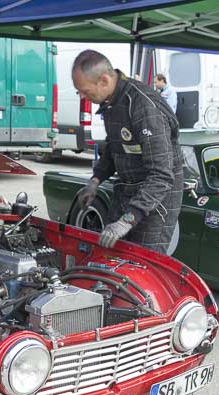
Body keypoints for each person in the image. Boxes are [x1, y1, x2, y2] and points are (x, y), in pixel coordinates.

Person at [72, 50, 183, 255]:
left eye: (86, 91)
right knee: (110, 255)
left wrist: (126, 221)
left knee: (139, 267)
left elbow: (162, 175)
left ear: (104, 80)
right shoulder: (111, 102)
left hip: (157, 202)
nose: (82, 97)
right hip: (127, 190)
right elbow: (114, 146)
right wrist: (95, 180)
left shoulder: (144, 107)